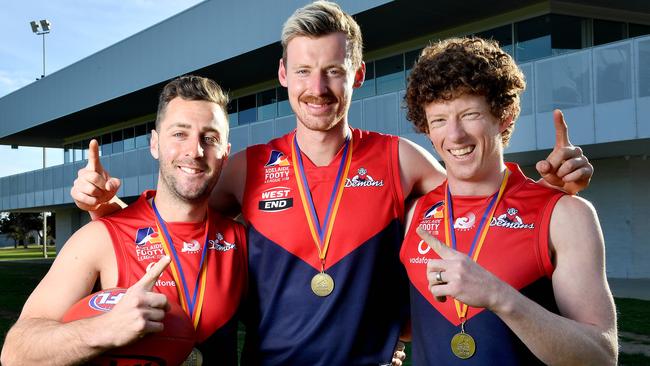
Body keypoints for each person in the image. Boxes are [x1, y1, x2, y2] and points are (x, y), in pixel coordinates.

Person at [69, 2, 594, 365]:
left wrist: (551, 184)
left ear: (358, 75)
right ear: (282, 75)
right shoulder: (246, 167)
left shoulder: (399, 159)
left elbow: (481, 194)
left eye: (334, 71)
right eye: (303, 71)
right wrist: (107, 205)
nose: (317, 88)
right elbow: (174, 210)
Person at [0, 75, 247, 366]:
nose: (194, 151)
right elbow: (16, 352)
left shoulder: (240, 240)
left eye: (210, 138)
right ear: (154, 144)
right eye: (179, 134)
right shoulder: (102, 236)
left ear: (225, 154)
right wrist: (101, 329)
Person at [400, 37, 618, 365]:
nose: (455, 135)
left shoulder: (564, 215)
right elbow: (407, 324)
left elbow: (601, 355)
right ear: (427, 130)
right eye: (440, 120)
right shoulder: (415, 212)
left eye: (470, 114)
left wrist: (499, 296)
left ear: (503, 117)